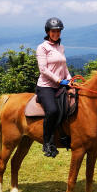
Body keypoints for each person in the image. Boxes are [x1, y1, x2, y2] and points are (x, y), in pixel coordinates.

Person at [36, 17, 71, 158]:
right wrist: (59, 80)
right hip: (46, 87)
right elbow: (43, 69)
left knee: (73, 105)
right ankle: (47, 143)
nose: (56, 33)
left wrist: (69, 79)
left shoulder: (60, 47)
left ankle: (66, 136)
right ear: (48, 32)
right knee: (53, 110)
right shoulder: (42, 47)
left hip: (61, 85)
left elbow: (64, 67)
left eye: (58, 31)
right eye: (53, 31)